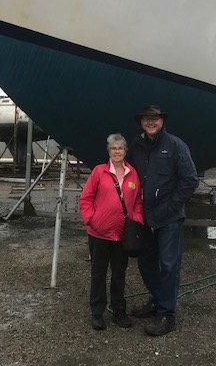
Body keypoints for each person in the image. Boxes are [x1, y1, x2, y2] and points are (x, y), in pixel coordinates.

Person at [126, 105, 199, 336]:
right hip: (144, 217)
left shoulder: (176, 145)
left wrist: (171, 206)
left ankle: (167, 314)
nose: (151, 122)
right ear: (141, 122)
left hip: (169, 218)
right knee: (145, 263)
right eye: (147, 119)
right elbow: (127, 176)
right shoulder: (135, 146)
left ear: (162, 121)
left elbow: (190, 180)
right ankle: (159, 300)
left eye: (155, 119)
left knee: (169, 265)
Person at [78, 133, 143, 331]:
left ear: (125, 151)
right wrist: (91, 219)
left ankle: (119, 310)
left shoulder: (133, 174)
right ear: (109, 151)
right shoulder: (99, 172)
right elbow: (85, 198)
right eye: (114, 148)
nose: (117, 152)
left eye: (120, 148)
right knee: (98, 273)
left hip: (122, 234)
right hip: (99, 234)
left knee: (119, 274)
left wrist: (137, 221)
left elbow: (137, 202)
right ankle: (97, 312)